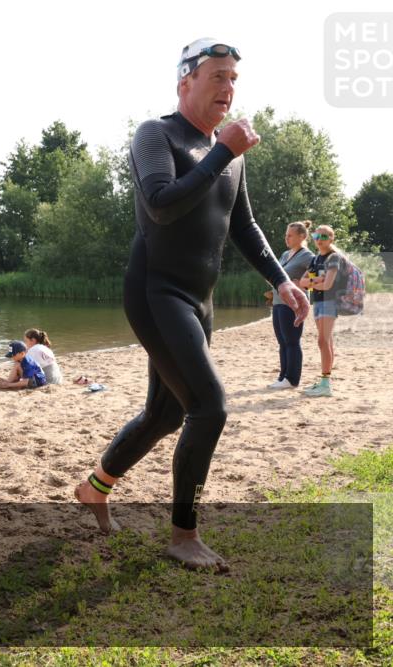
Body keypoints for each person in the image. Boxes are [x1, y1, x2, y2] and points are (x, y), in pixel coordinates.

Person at [74, 39, 310, 572]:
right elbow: (161, 205)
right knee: (210, 407)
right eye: (217, 76)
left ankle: (95, 488)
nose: (228, 88)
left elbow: (243, 225)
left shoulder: (229, 154)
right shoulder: (156, 135)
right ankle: (184, 535)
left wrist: (282, 282)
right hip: (157, 291)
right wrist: (224, 151)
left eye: (233, 79)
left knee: (167, 412)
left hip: (200, 300)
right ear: (185, 84)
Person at [268, 221, 314, 389]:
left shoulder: (307, 255)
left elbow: (319, 273)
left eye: (290, 235)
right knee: (282, 342)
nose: (286, 238)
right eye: (286, 235)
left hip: (294, 305)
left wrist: (302, 284)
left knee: (292, 341)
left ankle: (292, 379)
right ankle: (283, 377)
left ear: (302, 236)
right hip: (278, 302)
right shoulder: (285, 254)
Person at [298, 224, 342, 397]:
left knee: (322, 341)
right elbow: (302, 282)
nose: (319, 240)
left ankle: (325, 384)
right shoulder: (316, 259)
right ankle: (325, 381)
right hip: (317, 303)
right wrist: (318, 280)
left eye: (324, 236)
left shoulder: (333, 257)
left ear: (331, 238)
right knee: (326, 342)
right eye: (317, 236)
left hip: (329, 302)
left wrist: (314, 282)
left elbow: (328, 285)